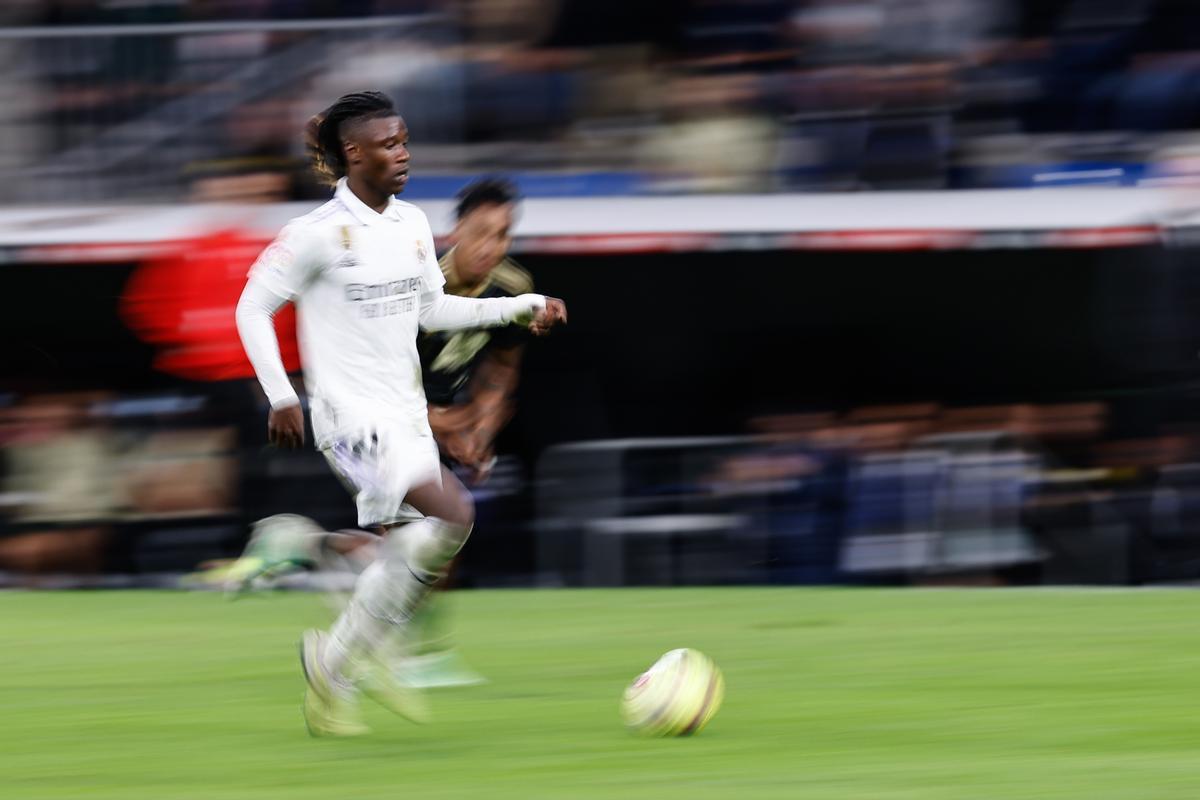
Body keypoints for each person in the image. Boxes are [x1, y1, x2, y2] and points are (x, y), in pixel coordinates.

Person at [234, 91, 566, 737]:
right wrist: (280, 394)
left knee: (416, 550)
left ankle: (329, 644)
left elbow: (432, 311)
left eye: (405, 139)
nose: (403, 152)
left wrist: (520, 307)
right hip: (348, 419)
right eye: (389, 143)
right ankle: (339, 646)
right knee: (452, 514)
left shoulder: (412, 224)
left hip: (405, 416)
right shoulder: (316, 235)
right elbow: (252, 307)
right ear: (354, 154)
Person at [216, 178, 539, 689]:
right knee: (429, 534)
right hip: (380, 420)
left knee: (428, 547)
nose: (490, 246)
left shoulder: (513, 285)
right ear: (454, 231)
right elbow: (372, 370)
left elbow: (502, 366)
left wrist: (482, 425)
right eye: (480, 232)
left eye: (502, 235)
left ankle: (311, 554)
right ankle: (378, 648)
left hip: (435, 422)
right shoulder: (410, 275)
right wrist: (445, 425)